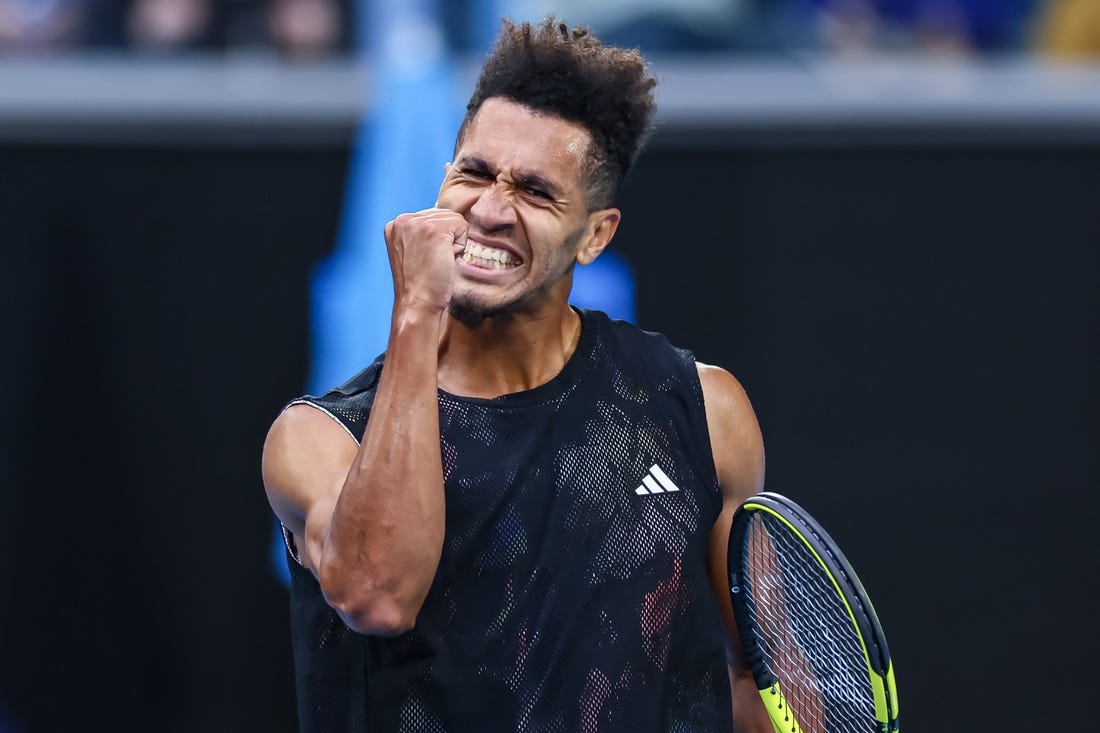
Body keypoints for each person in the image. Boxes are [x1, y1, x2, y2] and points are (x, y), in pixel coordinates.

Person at [261, 16, 772, 733]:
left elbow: (761, 678)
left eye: (535, 192)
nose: (490, 210)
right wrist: (416, 314)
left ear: (596, 233)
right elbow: (376, 593)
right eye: (472, 172)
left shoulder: (703, 411)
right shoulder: (317, 440)